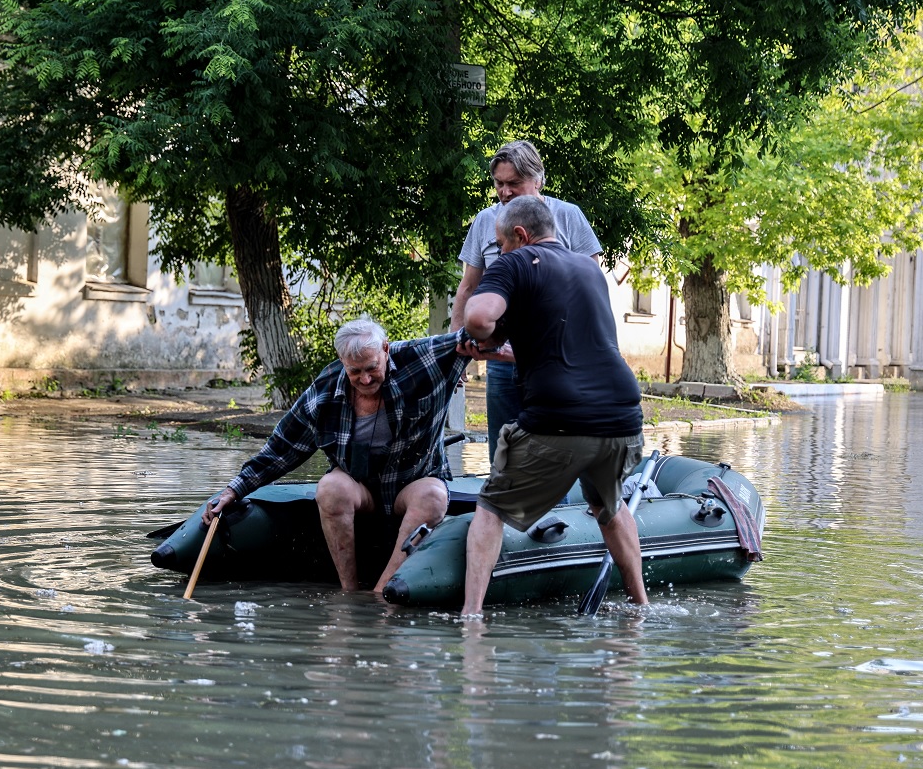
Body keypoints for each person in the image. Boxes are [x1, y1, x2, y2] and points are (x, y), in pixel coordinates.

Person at [457, 195, 646, 617]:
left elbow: (480, 318)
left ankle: (471, 618)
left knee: (491, 507)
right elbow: (566, 345)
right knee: (607, 507)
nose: (500, 252)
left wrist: (477, 330)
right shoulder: (589, 269)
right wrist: (505, 349)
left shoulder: (517, 262)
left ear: (520, 236)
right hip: (622, 417)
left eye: (502, 243)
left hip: (559, 419)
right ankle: (641, 608)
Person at [202, 316, 471, 592]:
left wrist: (501, 351)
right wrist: (233, 490)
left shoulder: (420, 357)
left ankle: (381, 593)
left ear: (386, 350)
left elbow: (475, 335)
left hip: (414, 482)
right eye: (355, 372)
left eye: (372, 368)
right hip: (359, 488)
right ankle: (349, 593)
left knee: (434, 496)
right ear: (342, 362)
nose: (365, 379)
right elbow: (282, 448)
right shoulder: (324, 391)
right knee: (330, 487)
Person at [449, 140, 603, 459]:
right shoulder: (484, 221)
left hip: (555, 360)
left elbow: (591, 287)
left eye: (514, 183)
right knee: (504, 453)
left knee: (554, 452)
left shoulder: (568, 216)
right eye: (499, 184)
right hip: (502, 359)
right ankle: (503, 506)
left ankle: (556, 506)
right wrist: (455, 349)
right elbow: (468, 288)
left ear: (538, 180)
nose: (504, 192)